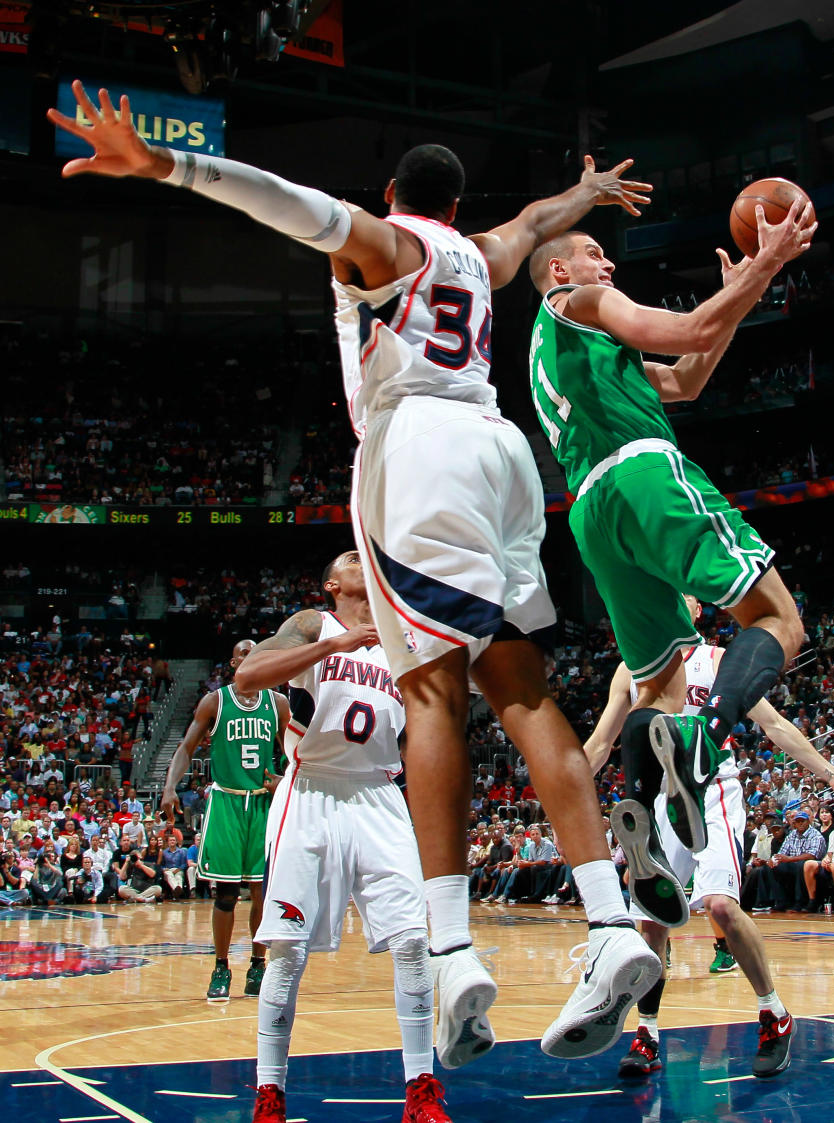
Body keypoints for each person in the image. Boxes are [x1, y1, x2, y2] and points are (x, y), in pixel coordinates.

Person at [50, 81, 662, 1061]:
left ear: (394, 194)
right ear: (457, 208)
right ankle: (608, 923)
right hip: (498, 451)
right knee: (521, 686)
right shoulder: (482, 253)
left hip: (412, 448)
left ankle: (457, 949)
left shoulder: (390, 245)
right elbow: (532, 221)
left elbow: (287, 200)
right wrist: (582, 193)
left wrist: (167, 162)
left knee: (429, 693)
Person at [527, 212, 816, 873]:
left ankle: (644, 829)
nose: (609, 266)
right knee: (778, 618)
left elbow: (686, 377)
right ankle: (704, 747)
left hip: (592, 513)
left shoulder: (560, 353)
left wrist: (735, 299)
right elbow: (691, 328)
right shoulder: (583, 302)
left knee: (659, 685)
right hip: (643, 473)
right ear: (559, 272)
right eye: (596, 253)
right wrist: (765, 267)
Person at [586, 595, 834, 1079]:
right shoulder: (632, 667)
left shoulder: (719, 661)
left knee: (720, 905)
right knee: (653, 922)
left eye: (684, 594)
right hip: (660, 795)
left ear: (696, 611)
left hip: (715, 787)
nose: (673, 599)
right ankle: (648, 1034)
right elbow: (599, 743)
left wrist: (829, 775)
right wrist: (565, 797)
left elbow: (773, 724)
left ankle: (775, 1014)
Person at [234, 550, 448, 1123]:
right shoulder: (312, 625)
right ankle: (270, 1092)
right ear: (331, 584)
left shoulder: (404, 636)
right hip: (312, 791)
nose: (360, 557)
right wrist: (334, 645)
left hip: (380, 794)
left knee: (410, 941)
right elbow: (246, 677)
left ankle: (421, 1091)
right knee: (287, 949)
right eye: (349, 558)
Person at [161, 639, 289, 1001]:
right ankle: (220, 967)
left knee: (262, 892)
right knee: (227, 895)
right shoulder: (216, 701)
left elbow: (297, 751)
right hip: (226, 803)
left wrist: (285, 779)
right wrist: (171, 786)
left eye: (257, 654)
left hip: (263, 804)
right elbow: (186, 747)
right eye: (243, 654)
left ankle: (257, 964)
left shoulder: (277, 704)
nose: (250, 659)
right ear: (233, 663)